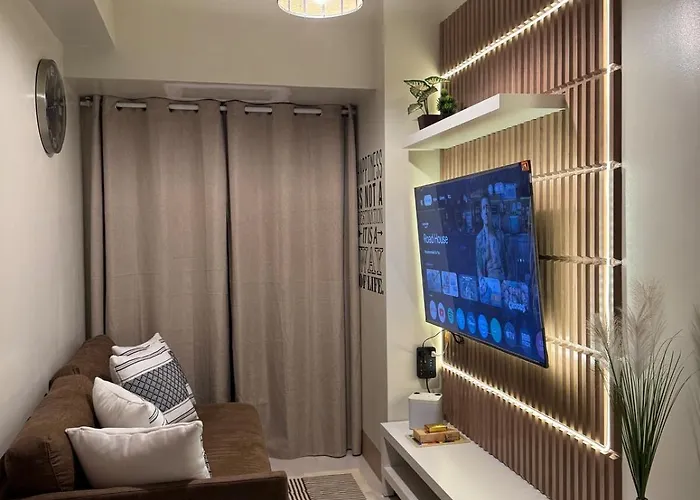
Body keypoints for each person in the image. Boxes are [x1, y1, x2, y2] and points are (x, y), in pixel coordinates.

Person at [476, 196, 508, 281]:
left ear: (491, 211)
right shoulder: (479, 239)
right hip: (488, 281)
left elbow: (507, 262)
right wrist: (482, 284)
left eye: (487, 208)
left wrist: (507, 282)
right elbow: (479, 268)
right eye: (483, 208)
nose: (486, 211)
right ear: (481, 214)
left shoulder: (500, 235)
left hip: (502, 278)